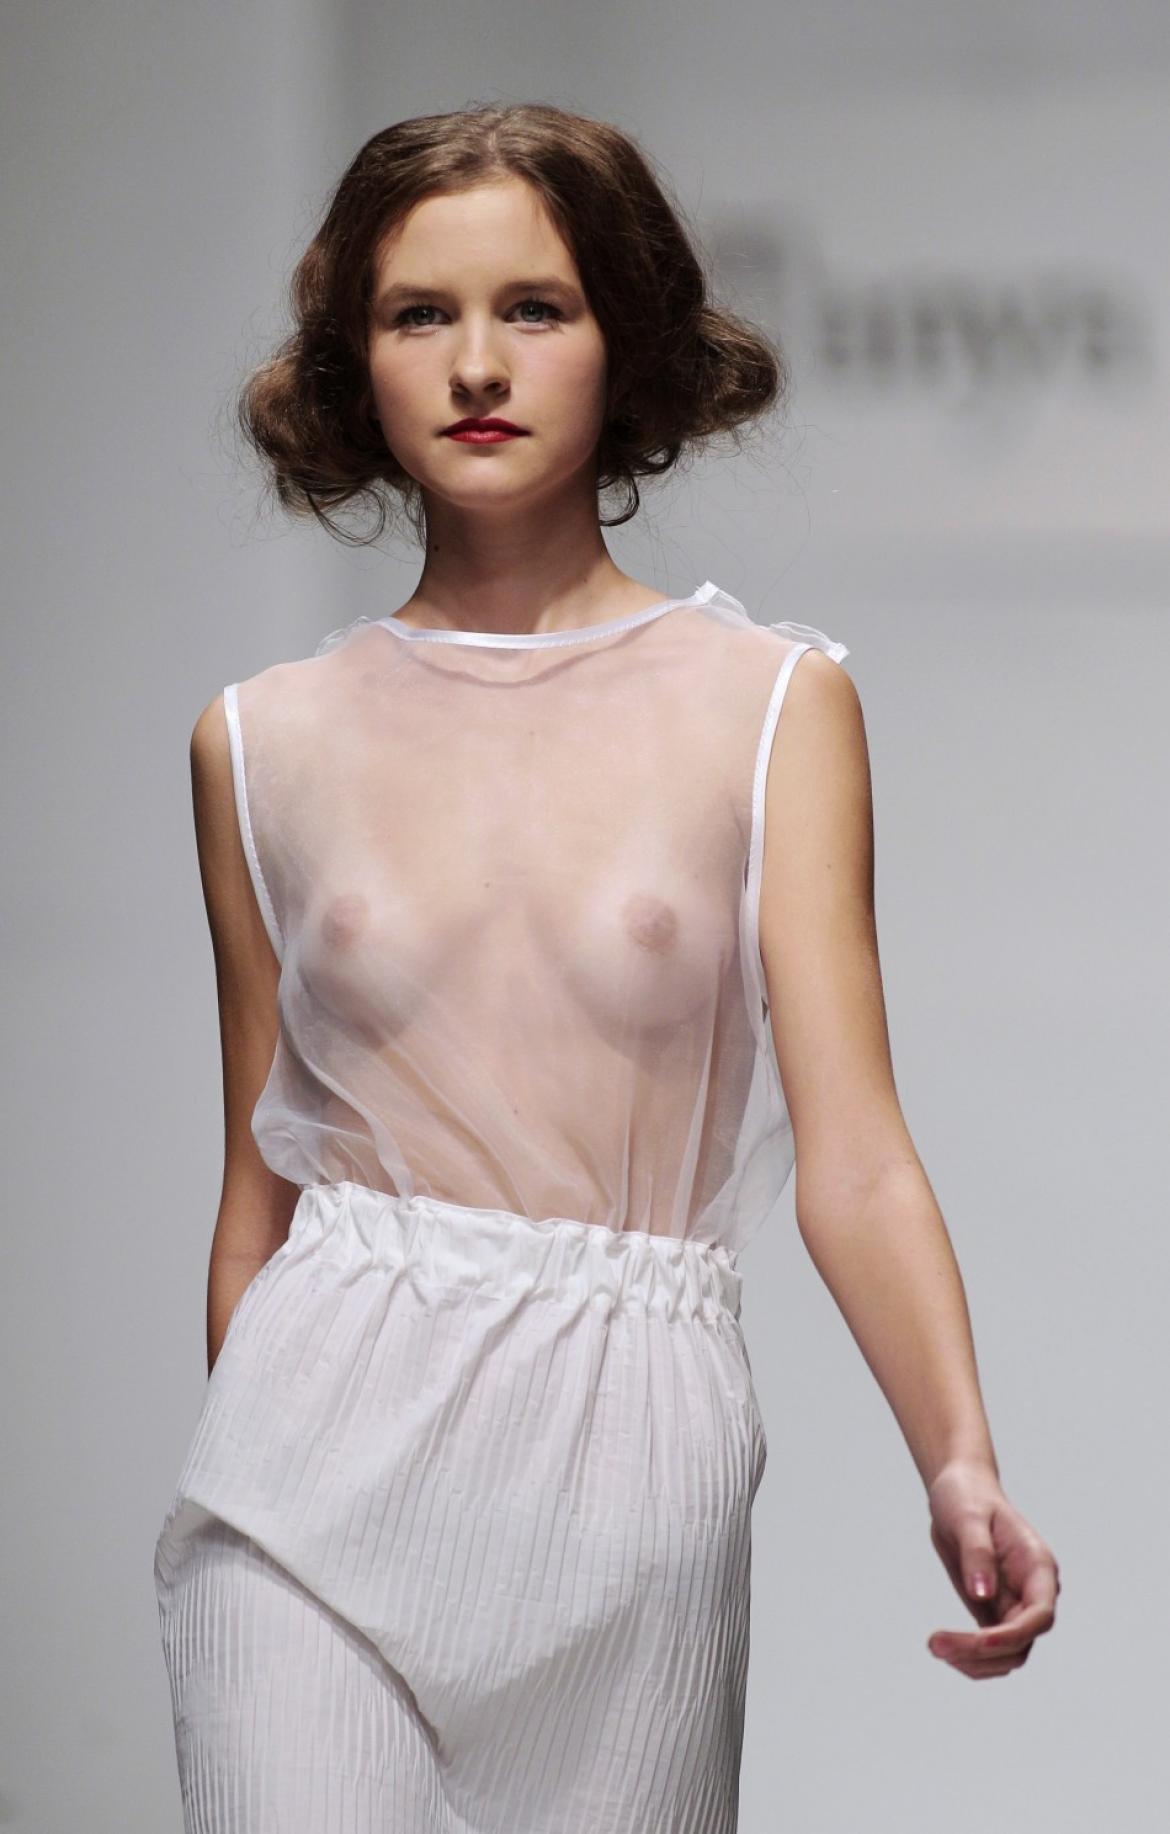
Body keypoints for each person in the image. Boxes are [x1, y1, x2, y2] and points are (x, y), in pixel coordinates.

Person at [153, 101, 1059, 1833]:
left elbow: (853, 1151)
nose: (475, 364)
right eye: (418, 313)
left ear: (622, 336)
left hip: (634, 1458)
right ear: (353, 359)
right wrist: (254, 1425)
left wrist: (956, 1454)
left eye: (535, 307)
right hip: (308, 1463)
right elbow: (256, 1191)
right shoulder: (258, 742)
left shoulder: (771, 708)